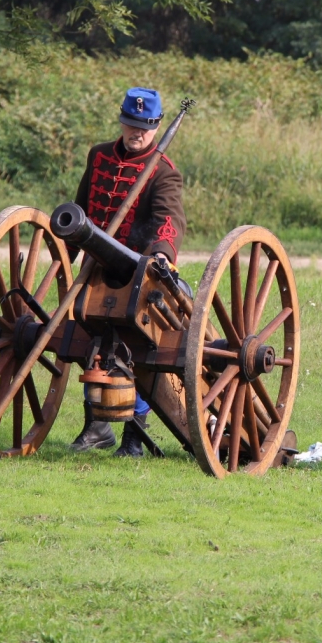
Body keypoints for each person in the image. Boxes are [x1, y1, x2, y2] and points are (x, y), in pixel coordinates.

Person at [67, 87, 186, 457]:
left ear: (157, 126)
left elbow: (169, 220)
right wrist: (67, 251)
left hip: (140, 272)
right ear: (122, 120)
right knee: (88, 339)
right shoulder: (99, 155)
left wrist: (161, 255)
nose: (138, 132)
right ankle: (96, 427)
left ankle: (134, 436)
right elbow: (82, 206)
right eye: (132, 124)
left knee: (144, 349)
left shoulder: (164, 172)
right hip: (95, 268)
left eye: (146, 127)